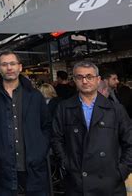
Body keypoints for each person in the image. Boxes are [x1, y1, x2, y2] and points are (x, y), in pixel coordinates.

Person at [52, 61, 132, 195]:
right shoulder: (64, 108)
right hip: (77, 182)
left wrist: (121, 171)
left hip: (110, 183)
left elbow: (129, 142)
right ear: (74, 80)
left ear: (98, 80)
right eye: (80, 77)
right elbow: (56, 139)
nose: (85, 81)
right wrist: (67, 164)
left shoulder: (115, 109)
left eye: (89, 77)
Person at [0, 51, 51, 195]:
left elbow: (46, 125)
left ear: (20, 67)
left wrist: (40, 150)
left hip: (34, 168)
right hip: (2, 170)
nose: (9, 68)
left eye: (12, 64)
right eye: (4, 64)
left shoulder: (35, 96)